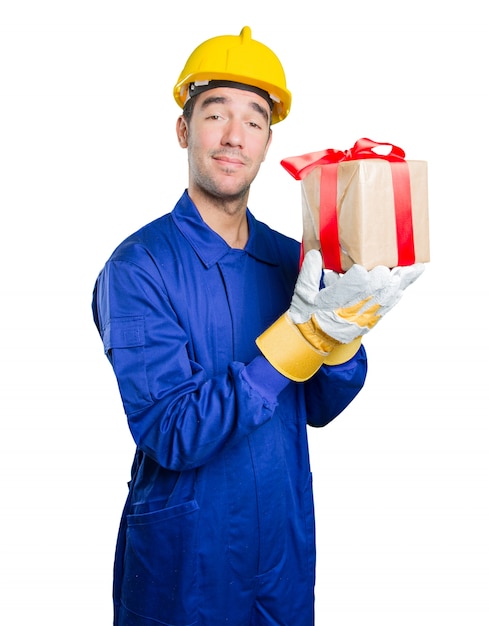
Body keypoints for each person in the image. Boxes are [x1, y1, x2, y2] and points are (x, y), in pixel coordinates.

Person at [92, 26, 424, 626]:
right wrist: (296, 339)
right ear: (184, 129)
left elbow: (319, 404)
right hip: (186, 560)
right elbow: (171, 431)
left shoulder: (295, 258)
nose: (232, 136)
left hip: (280, 552)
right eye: (215, 113)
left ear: (268, 142)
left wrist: (344, 334)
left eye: (253, 120)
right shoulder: (137, 268)